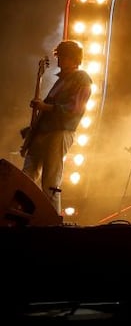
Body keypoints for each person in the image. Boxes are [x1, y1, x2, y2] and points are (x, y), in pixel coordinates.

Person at [20, 40, 92, 216]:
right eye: (59, 56)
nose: (60, 60)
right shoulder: (60, 81)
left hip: (60, 132)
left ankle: (51, 221)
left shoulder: (82, 78)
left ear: (74, 59)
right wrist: (31, 135)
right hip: (43, 134)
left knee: (50, 181)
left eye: (64, 57)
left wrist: (46, 107)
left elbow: (74, 109)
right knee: (25, 178)